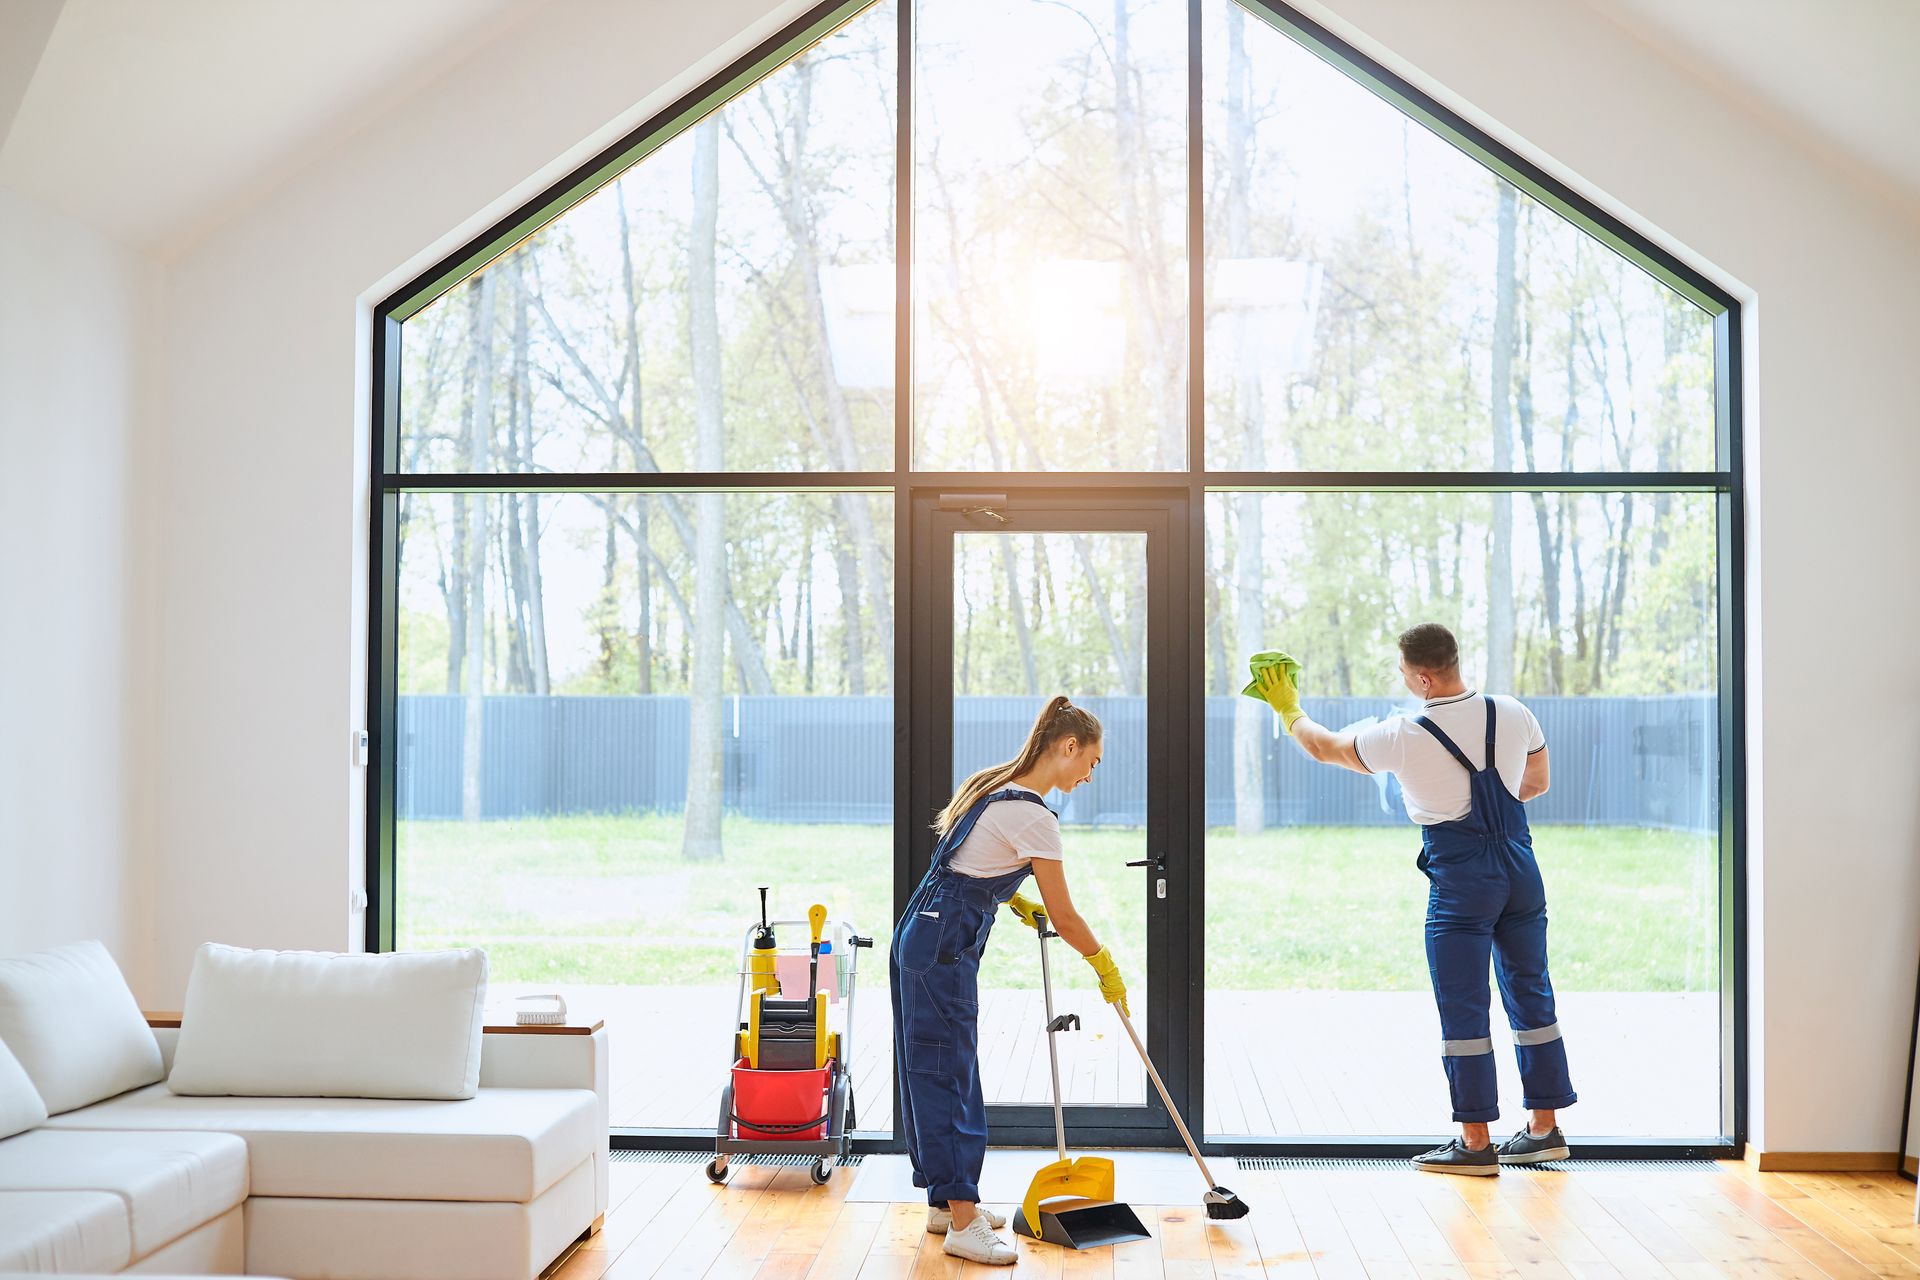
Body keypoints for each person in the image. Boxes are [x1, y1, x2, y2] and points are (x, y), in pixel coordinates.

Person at [1252, 623, 1577, 1175]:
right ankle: (1543, 1130)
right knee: (1531, 993)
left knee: (1464, 1004)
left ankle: (1476, 1144)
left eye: (1404, 673)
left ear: (1423, 677)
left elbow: (1323, 747)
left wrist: (1288, 708)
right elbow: (1535, 784)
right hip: (1521, 869)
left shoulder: (1403, 733)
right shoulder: (1514, 712)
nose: (1403, 681)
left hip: (1462, 881)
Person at [889, 696, 1131, 1263]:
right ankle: (964, 1221)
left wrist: (1012, 897)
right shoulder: (1034, 814)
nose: (1089, 774)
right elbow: (1067, 916)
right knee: (947, 1072)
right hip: (942, 947)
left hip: (924, 938)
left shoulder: (995, 786)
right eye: (1090, 761)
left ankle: (946, 1201)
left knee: (936, 1066)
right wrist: (1103, 963)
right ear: (1067, 747)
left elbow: (968, 864)